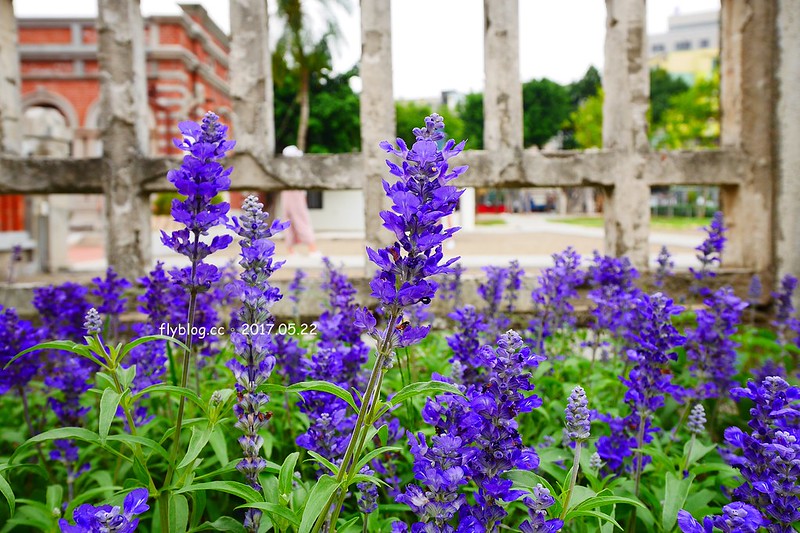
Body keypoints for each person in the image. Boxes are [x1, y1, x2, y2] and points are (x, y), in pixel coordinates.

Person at [280, 145, 320, 257]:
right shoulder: (294, 169)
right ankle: (312, 249)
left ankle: (291, 250)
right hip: (294, 193)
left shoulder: (284, 169)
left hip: (286, 193)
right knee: (301, 218)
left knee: (289, 219)